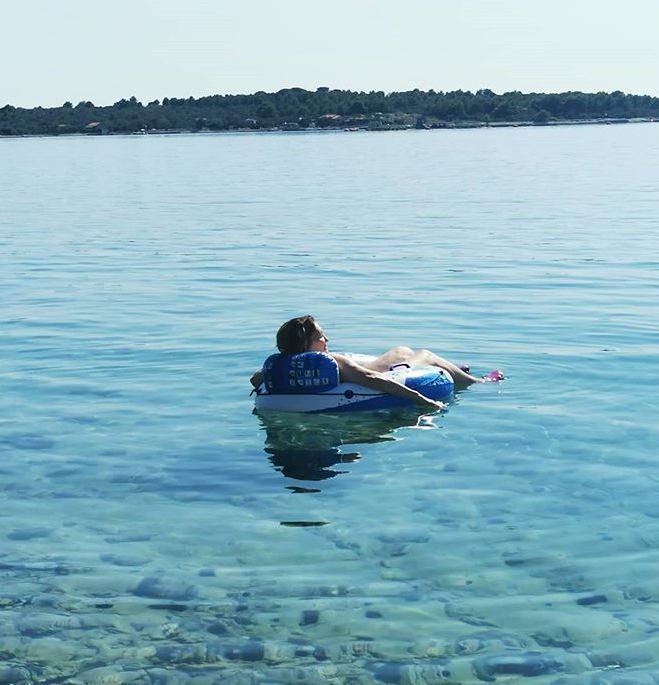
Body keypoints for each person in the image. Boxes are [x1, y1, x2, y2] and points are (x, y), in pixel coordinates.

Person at [250, 315, 502, 411]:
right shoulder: (333, 362)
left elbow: (256, 380)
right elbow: (374, 380)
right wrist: (424, 401)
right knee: (418, 353)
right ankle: (477, 381)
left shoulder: (280, 364)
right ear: (306, 345)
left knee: (403, 349)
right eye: (321, 337)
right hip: (387, 373)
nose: (327, 340)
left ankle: (455, 369)